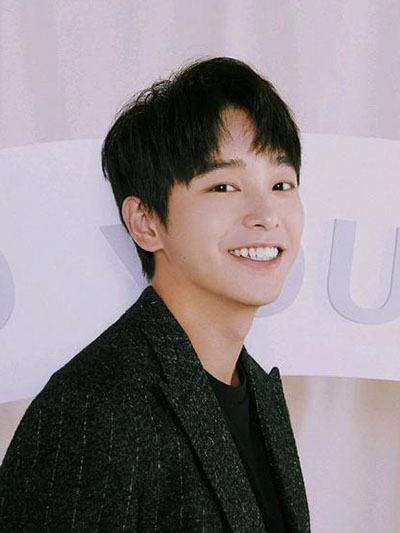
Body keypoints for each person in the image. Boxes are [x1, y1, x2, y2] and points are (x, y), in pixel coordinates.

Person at [0, 56, 310, 532]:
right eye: (223, 186)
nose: (266, 214)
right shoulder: (95, 410)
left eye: (281, 184)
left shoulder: (256, 391)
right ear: (145, 222)